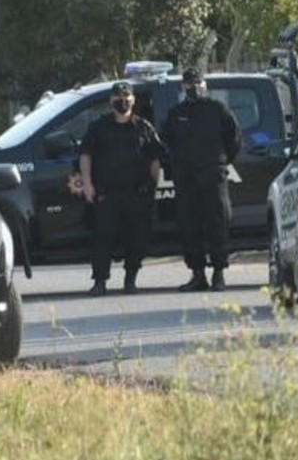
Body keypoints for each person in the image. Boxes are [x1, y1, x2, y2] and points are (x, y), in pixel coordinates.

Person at [77, 81, 164, 296]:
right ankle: (99, 282)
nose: (122, 101)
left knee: (136, 239)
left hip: (137, 194)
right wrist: (88, 184)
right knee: (102, 239)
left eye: (127, 97)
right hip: (107, 194)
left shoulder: (143, 127)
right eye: (118, 98)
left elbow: (155, 158)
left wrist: (154, 186)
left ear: (134, 100)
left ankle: (130, 280)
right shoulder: (98, 127)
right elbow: (85, 155)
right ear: (111, 101)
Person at [162, 68, 241, 291]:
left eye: (198, 83)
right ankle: (198, 275)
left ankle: (218, 274)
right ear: (183, 87)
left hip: (212, 175)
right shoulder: (176, 113)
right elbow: (167, 141)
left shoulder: (218, 109)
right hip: (186, 178)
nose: (194, 88)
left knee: (217, 224)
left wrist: (221, 162)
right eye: (190, 84)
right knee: (189, 225)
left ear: (205, 85)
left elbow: (234, 139)